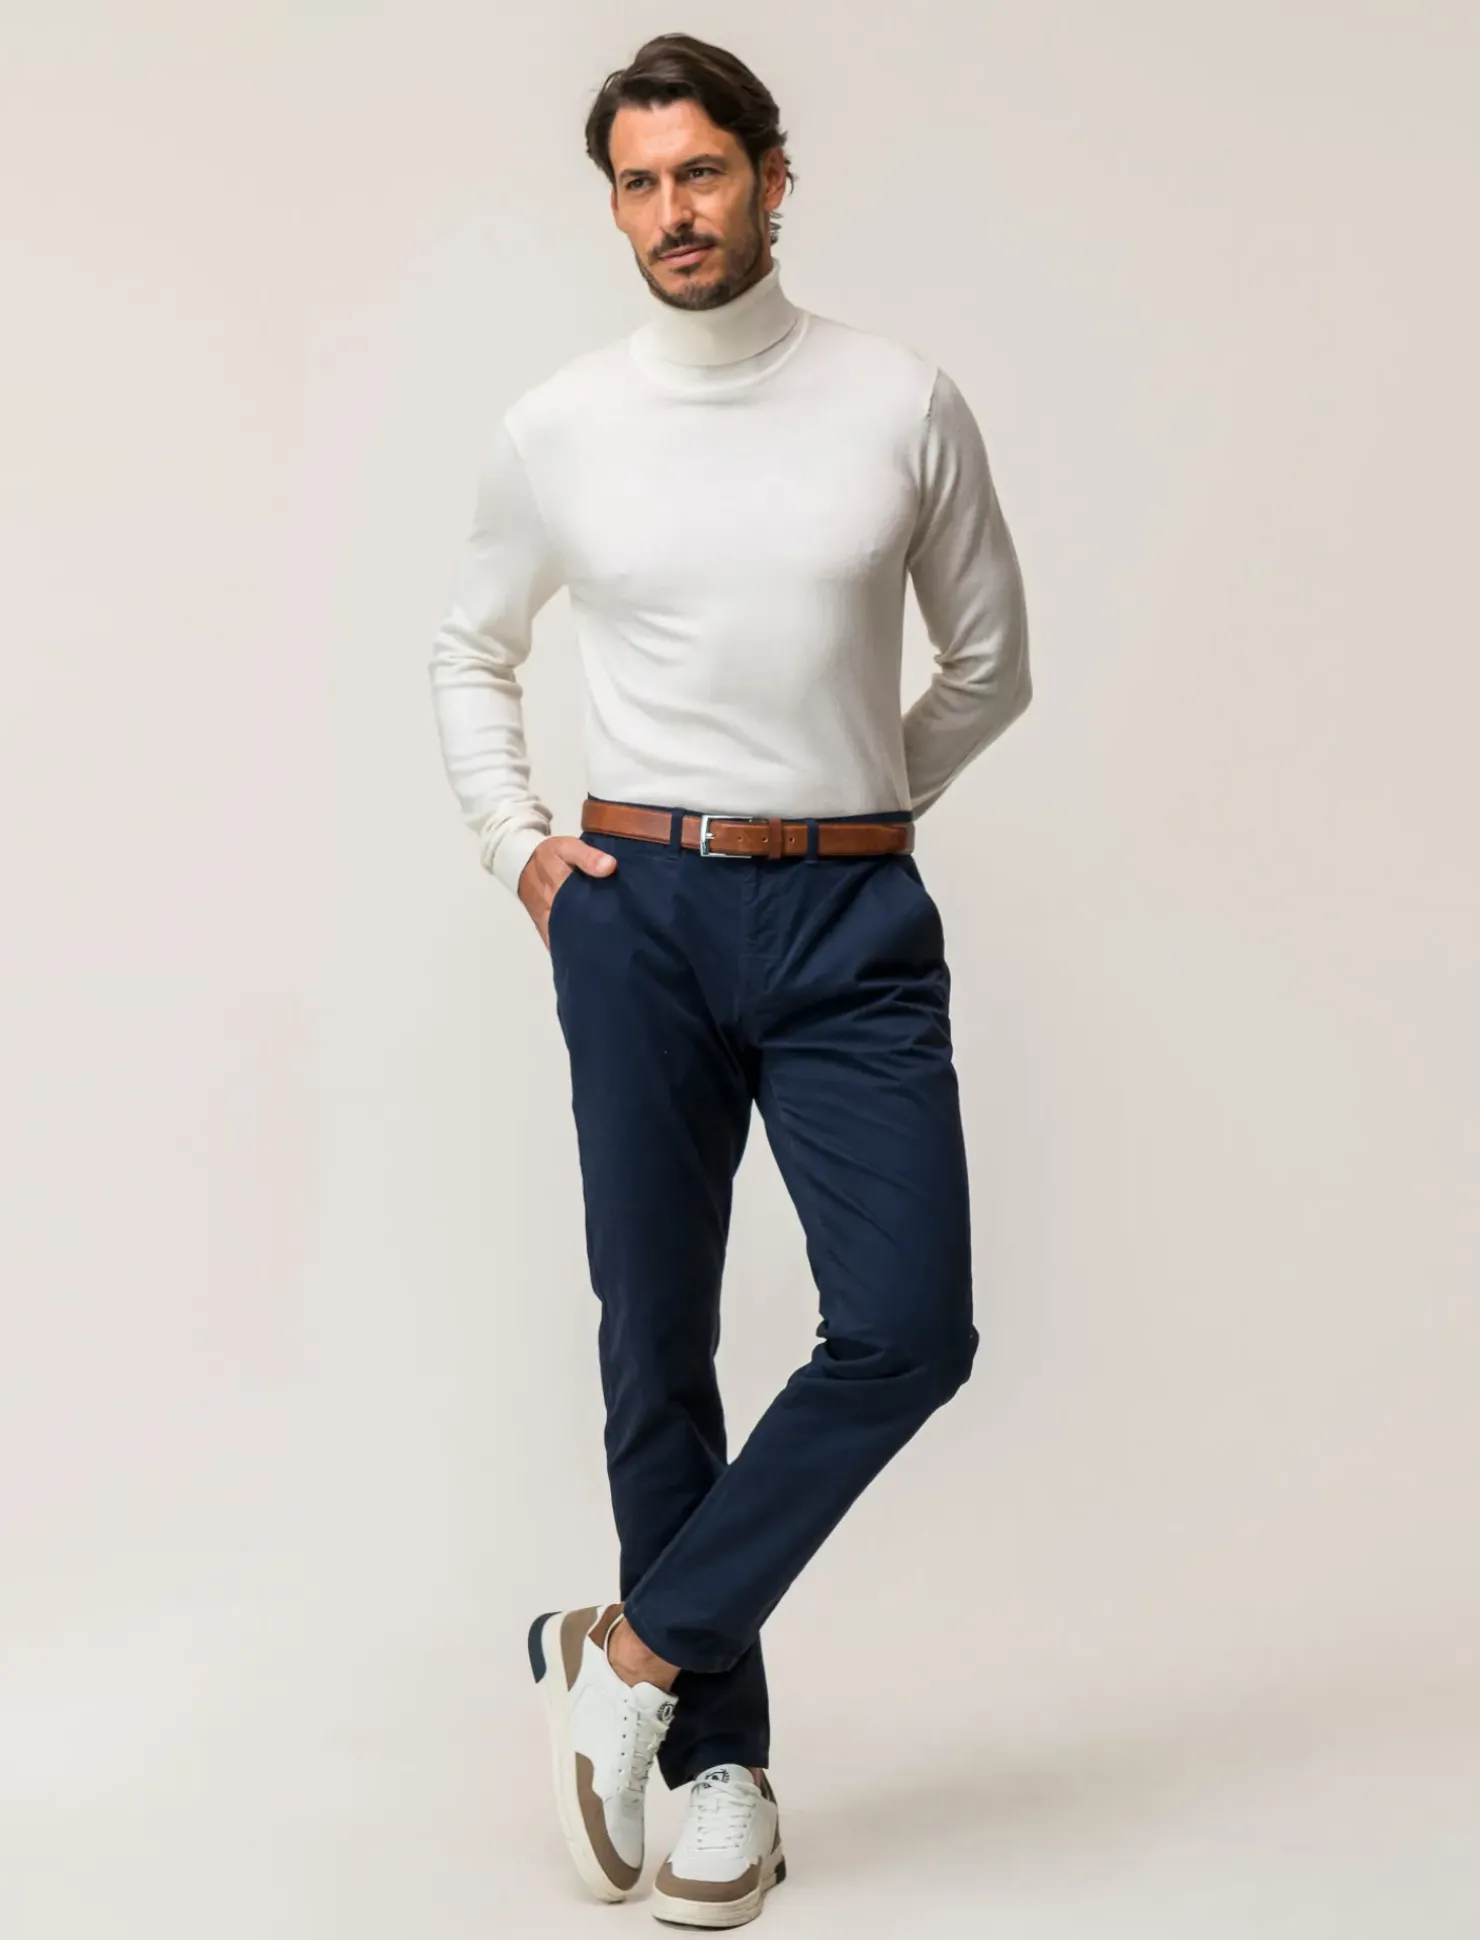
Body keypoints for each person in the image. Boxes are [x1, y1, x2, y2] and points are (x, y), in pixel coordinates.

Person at [427, 31, 1031, 1927]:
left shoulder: (899, 400)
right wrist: (518, 843)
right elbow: (468, 646)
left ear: (774, 176)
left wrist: (851, 804)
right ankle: (717, 1766)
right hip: (640, 915)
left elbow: (991, 665)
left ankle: (627, 1650)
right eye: (639, 183)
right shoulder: (561, 425)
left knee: (909, 1329)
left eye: (701, 172)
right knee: (656, 1334)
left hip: (852, 925)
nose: (673, 212)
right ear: (612, 205)